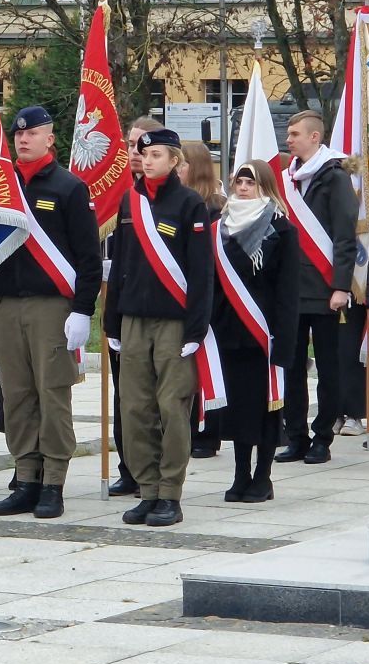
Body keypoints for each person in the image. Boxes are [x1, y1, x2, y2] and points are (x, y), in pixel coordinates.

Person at [0, 105, 103, 521]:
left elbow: (89, 257)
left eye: (32, 133)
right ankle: (26, 478)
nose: (22, 138)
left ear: (50, 139)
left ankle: (53, 482)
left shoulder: (70, 188)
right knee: (16, 394)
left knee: (52, 392)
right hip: (5, 304)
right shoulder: (1, 186)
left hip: (51, 306)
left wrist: (83, 310)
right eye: (17, 133)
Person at [104, 128, 211, 527]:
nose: (147, 160)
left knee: (171, 407)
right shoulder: (130, 202)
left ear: (175, 162)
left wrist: (195, 331)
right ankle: (147, 490)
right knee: (134, 409)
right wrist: (112, 319)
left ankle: (170, 493)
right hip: (133, 319)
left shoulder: (189, 204)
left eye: (156, 155)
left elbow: (202, 273)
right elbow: (120, 264)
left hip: (173, 323)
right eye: (144, 155)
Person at [212, 160, 301, 502]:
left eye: (250, 182)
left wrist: (285, 339)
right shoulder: (220, 227)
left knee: (264, 407)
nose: (243, 187)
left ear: (265, 185)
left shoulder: (281, 228)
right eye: (239, 181)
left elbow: (287, 289)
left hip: (264, 331)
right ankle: (240, 475)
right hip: (229, 330)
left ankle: (263, 476)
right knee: (236, 407)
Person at [277, 110, 359, 466]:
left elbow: (344, 237)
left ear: (314, 138)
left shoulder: (334, 177)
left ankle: (322, 437)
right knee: (291, 367)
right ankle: (295, 435)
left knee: (328, 368)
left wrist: (341, 286)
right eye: (288, 134)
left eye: (295, 134)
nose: (288, 139)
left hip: (325, 289)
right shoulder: (288, 178)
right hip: (291, 289)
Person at [104, 116, 165, 496]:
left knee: (159, 399)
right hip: (124, 308)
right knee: (125, 396)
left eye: (143, 146)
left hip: (161, 312)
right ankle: (129, 466)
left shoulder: (170, 198)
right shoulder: (120, 196)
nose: (135, 153)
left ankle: (158, 472)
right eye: (129, 145)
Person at [177, 139, 225, 460]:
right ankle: (189, 429)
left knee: (207, 367)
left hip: (213, 297)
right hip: (179, 295)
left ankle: (207, 434)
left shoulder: (215, 210)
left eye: (179, 162)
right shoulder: (176, 204)